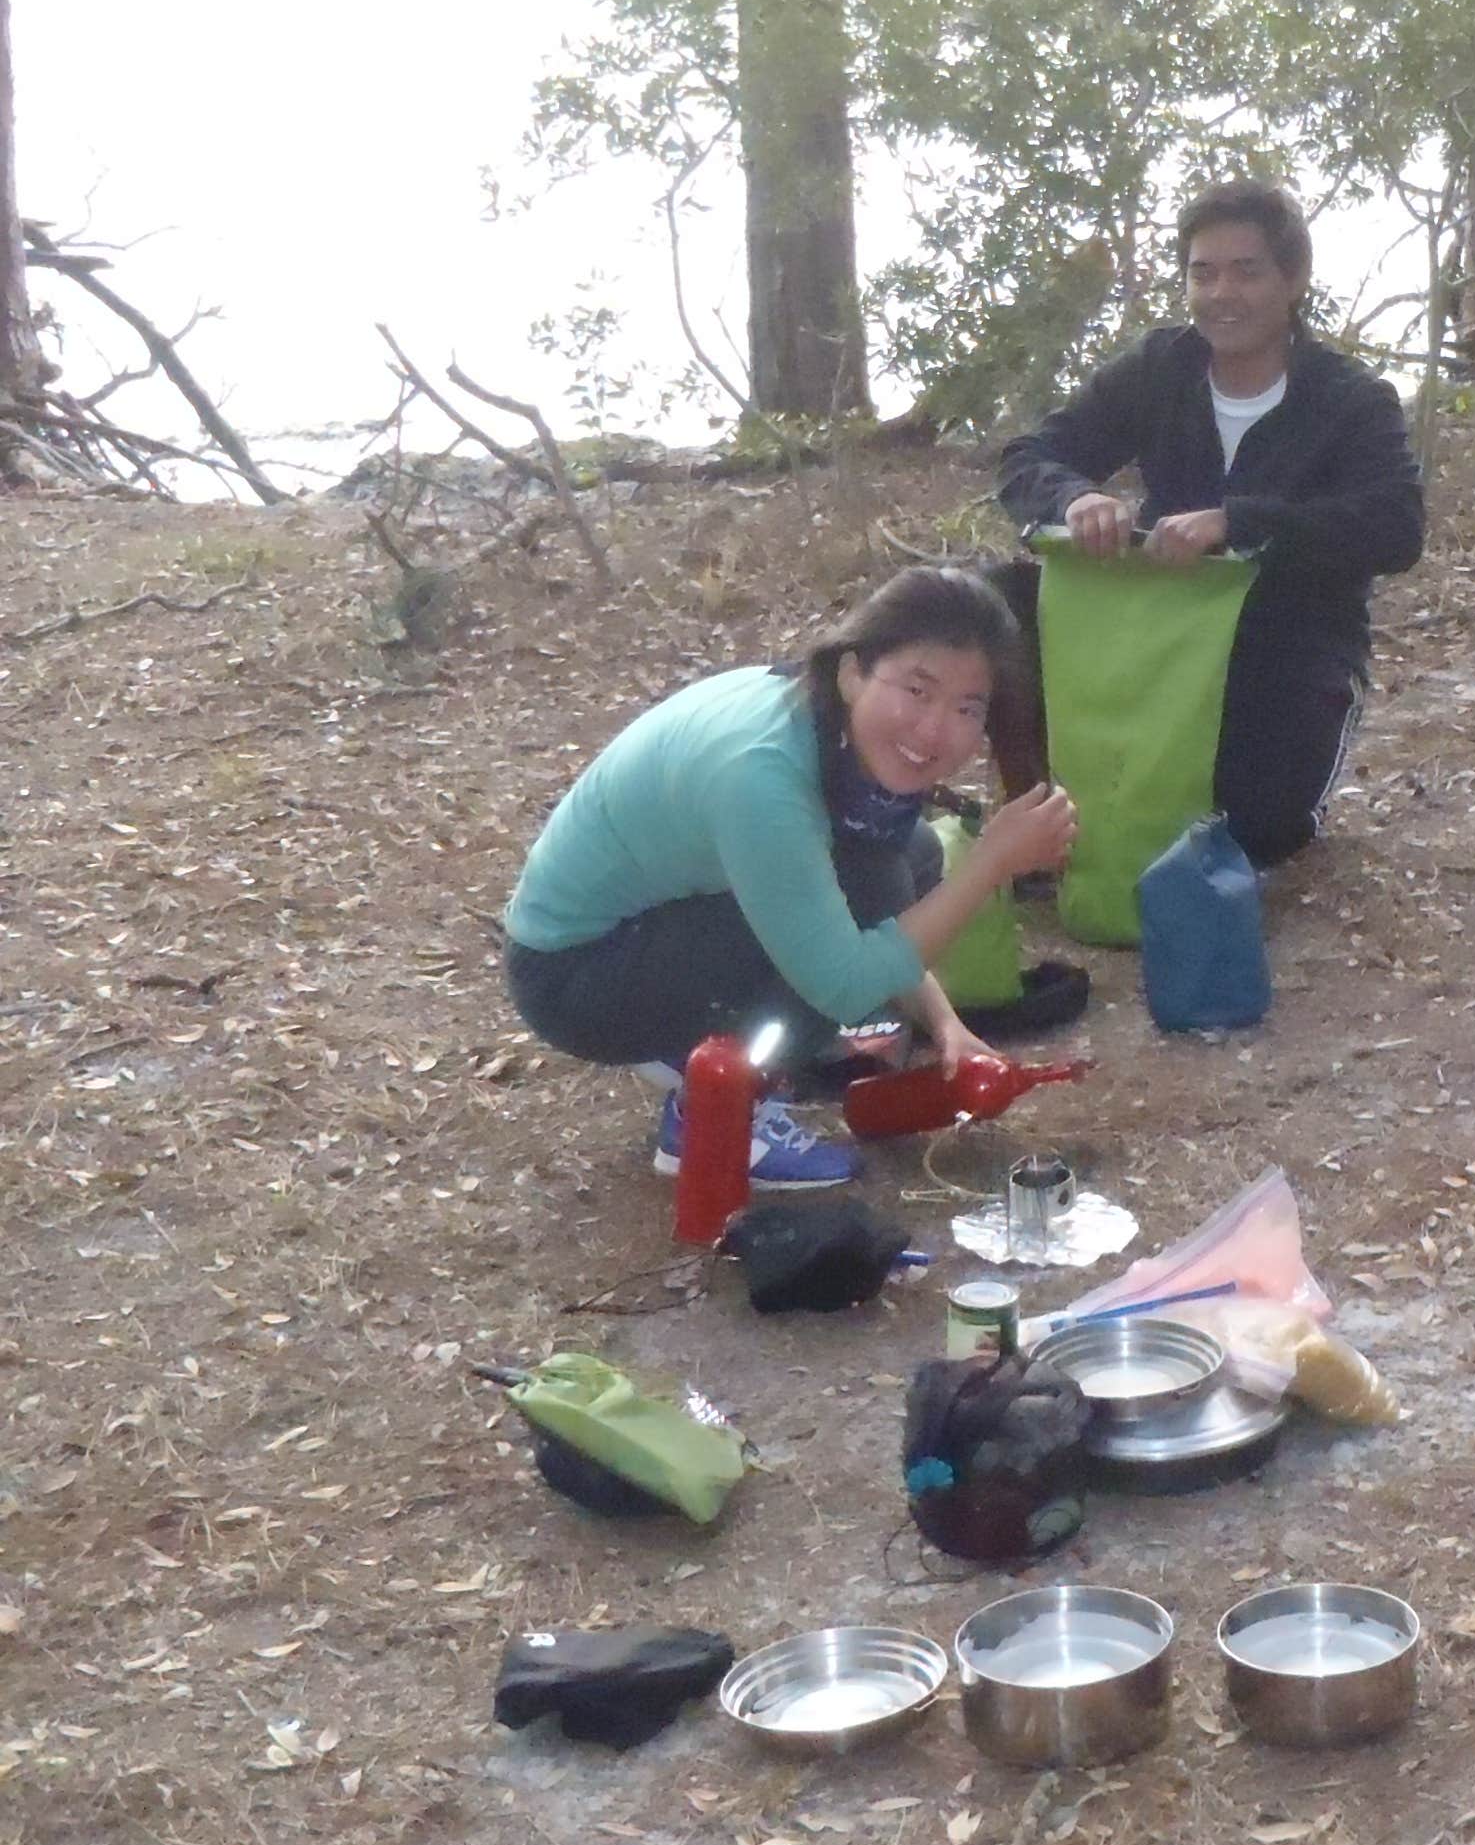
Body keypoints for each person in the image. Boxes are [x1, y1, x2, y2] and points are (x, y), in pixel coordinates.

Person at [503, 567, 1080, 1189]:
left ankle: (692, 1044)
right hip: (574, 977)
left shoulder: (824, 719)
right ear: (854, 670)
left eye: (967, 707)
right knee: (871, 895)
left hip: (645, 926)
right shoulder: (763, 773)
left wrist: (945, 1025)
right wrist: (990, 861)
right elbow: (844, 984)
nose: (936, 730)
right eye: (917, 690)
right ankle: (712, 1115)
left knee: (907, 857)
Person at [993, 179, 1424, 866]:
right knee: (995, 601)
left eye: (1247, 272)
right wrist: (1074, 500)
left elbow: (1397, 525)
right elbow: (1026, 458)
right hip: (1159, 628)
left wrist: (1240, 522)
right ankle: (1047, 820)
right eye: (1203, 274)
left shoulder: (1350, 399)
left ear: (1294, 280)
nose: (1222, 294)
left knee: (1251, 836)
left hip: (1288, 645)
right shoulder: (1160, 369)